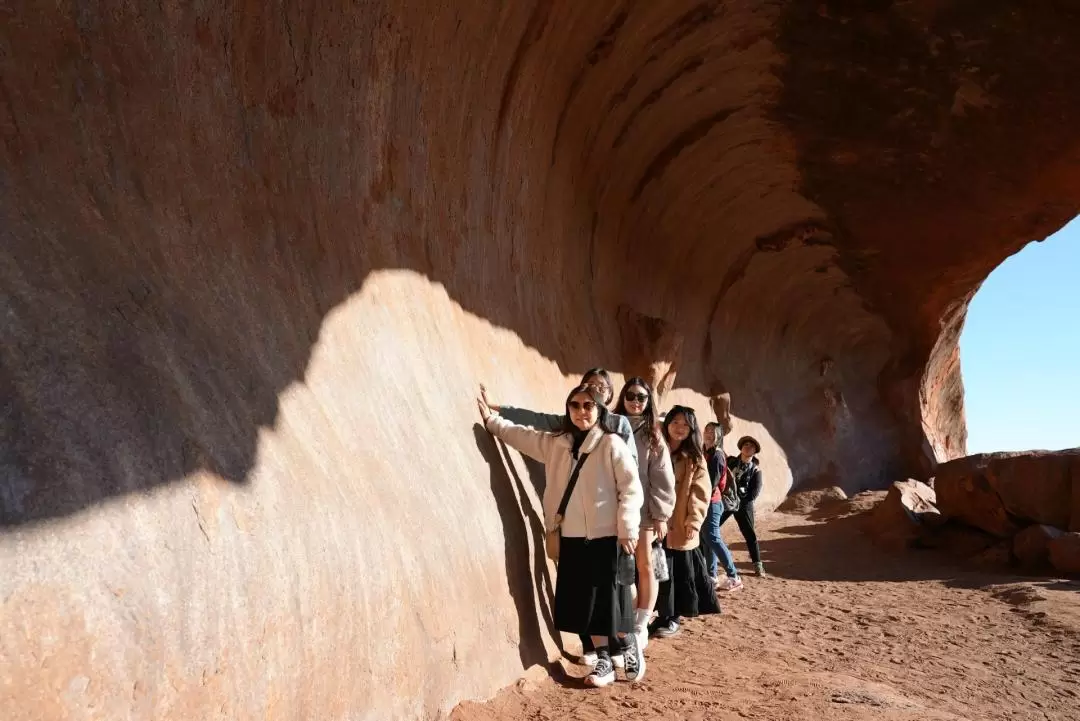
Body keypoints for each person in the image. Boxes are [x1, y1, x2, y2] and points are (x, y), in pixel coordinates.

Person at [477, 384, 646, 687]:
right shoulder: (558, 443)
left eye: (588, 405)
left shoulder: (612, 444)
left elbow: (631, 490)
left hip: (608, 537)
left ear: (599, 410)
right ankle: (604, 661)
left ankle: (628, 642)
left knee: (613, 601)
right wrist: (492, 422)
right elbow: (524, 437)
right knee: (588, 603)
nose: (581, 411)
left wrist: (627, 529)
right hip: (572, 536)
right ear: (568, 409)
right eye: (575, 405)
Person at [613, 377, 676, 649]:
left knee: (644, 564)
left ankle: (641, 624)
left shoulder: (654, 433)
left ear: (649, 401)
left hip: (645, 512)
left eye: (641, 397)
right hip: (615, 508)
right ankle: (627, 620)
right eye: (630, 396)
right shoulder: (611, 425)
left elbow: (662, 476)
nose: (635, 402)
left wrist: (661, 515)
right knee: (622, 567)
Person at [650, 405, 719, 639]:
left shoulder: (694, 458)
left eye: (685, 424)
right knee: (659, 571)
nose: (679, 428)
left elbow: (701, 492)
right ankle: (661, 614)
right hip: (656, 523)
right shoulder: (655, 449)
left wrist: (694, 521)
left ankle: (673, 618)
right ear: (667, 423)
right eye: (675, 422)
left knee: (679, 572)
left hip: (680, 525)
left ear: (692, 429)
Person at [702, 423, 742, 591]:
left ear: (719, 435)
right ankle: (712, 576)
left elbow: (712, 482)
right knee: (707, 539)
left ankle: (734, 576)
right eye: (707, 431)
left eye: (713, 432)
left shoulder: (717, 455)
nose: (709, 434)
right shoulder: (706, 452)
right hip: (706, 502)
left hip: (712, 502)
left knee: (713, 538)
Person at [723, 435, 765, 577]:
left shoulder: (755, 470)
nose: (748, 447)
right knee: (711, 527)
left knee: (750, 535)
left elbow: (754, 492)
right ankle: (703, 558)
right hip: (727, 502)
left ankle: (758, 565)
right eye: (745, 445)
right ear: (741, 448)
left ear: (754, 451)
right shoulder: (731, 462)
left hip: (743, 505)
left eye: (751, 446)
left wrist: (741, 500)